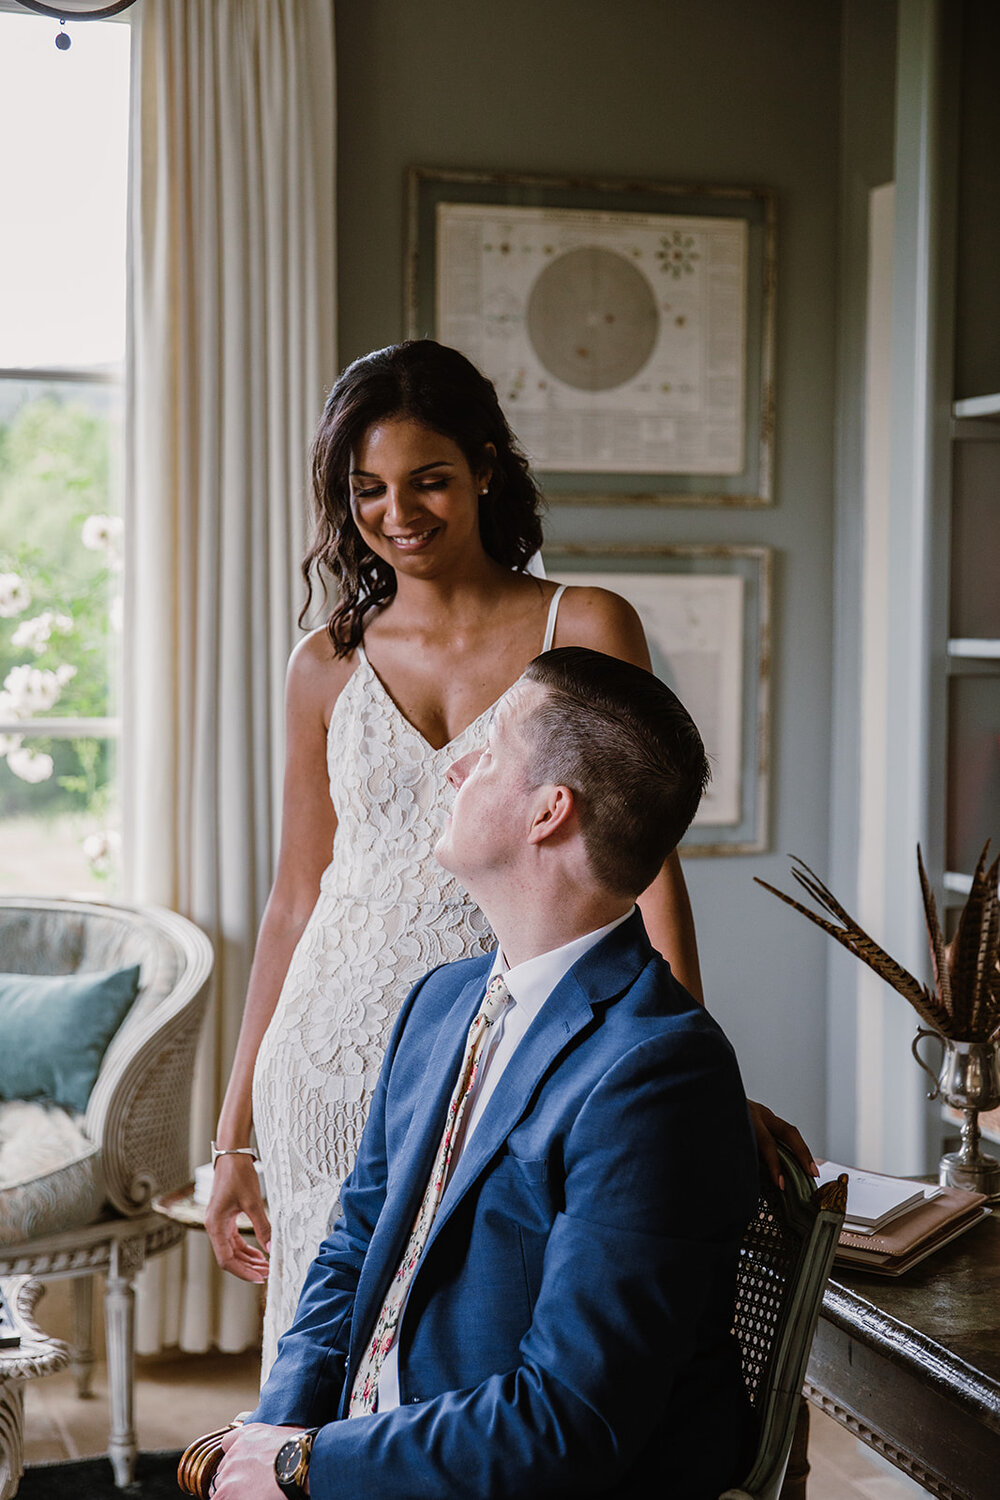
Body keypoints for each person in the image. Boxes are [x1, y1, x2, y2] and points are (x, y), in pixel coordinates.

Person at [206, 339, 811, 1377]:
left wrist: (688, 1069)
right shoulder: (324, 663)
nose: (399, 514)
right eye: (368, 491)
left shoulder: (582, 622)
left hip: (499, 1056)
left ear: (487, 465)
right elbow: (294, 896)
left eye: (429, 480)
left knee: (478, 1350)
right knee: (325, 1358)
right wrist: (234, 1138)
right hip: (326, 1058)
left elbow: (645, 864)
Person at [209, 647, 760, 1500]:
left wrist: (304, 1467)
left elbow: (568, 1423)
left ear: (549, 812)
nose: (459, 766)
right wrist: (275, 1431)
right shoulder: (443, 1000)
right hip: (365, 1453)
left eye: (492, 750)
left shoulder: (658, 1074)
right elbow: (354, 1247)